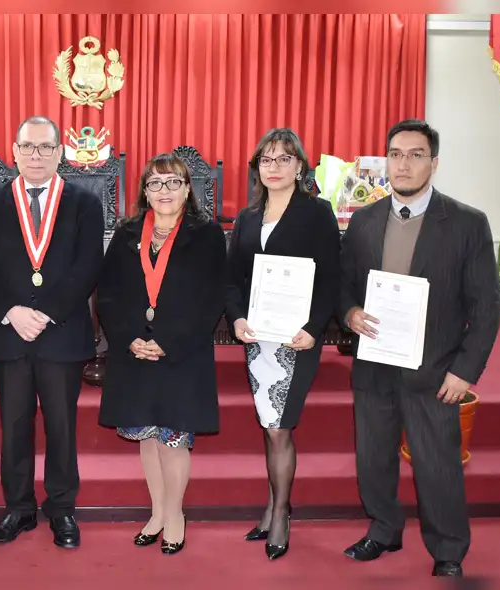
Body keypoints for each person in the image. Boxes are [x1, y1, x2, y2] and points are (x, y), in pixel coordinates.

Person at [339, 120, 500, 577]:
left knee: (437, 465)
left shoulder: (467, 223)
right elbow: (344, 285)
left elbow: (486, 306)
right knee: (372, 458)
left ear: (434, 162)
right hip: (374, 365)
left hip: (436, 371)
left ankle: (448, 549)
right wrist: (350, 313)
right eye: (395, 154)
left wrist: (464, 371)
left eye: (415, 154)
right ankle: (383, 529)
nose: (403, 163)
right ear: (385, 160)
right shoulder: (365, 220)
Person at [0, 116, 104, 548]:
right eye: (28, 147)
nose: (37, 156)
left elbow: (87, 267)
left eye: (46, 148)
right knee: (14, 425)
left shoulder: (84, 202)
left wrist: (43, 312)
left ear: (60, 153)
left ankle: (62, 510)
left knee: (62, 427)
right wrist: (13, 310)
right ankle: (18, 508)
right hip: (9, 333)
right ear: (14, 150)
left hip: (60, 333)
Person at [96, 154, 227, 555]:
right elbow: (109, 294)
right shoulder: (127, 232)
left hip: (180, 354)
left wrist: (168, 339)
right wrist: (129, 337)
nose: (164, 191)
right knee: (147, 438)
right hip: (134, 353)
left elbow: (212, 297)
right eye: (155, 184)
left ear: (188, 188)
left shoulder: (205, 234)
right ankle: (155, 512)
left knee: (173, 439)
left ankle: (175, 515)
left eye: (173, 183)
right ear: (144, 192)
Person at [225, 128, 341, 560]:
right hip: (258, 338)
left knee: (279, 429)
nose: (274, 167)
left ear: (299, 165)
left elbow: (330, 276)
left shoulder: (317, 213)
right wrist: (236, 317)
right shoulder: (246, 218)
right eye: (266, 160)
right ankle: (274, 505)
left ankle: (281, 513)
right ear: (257, 168)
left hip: (297, 339)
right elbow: (232, 278)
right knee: (270, 426)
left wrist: (314, 327)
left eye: (283, 159)